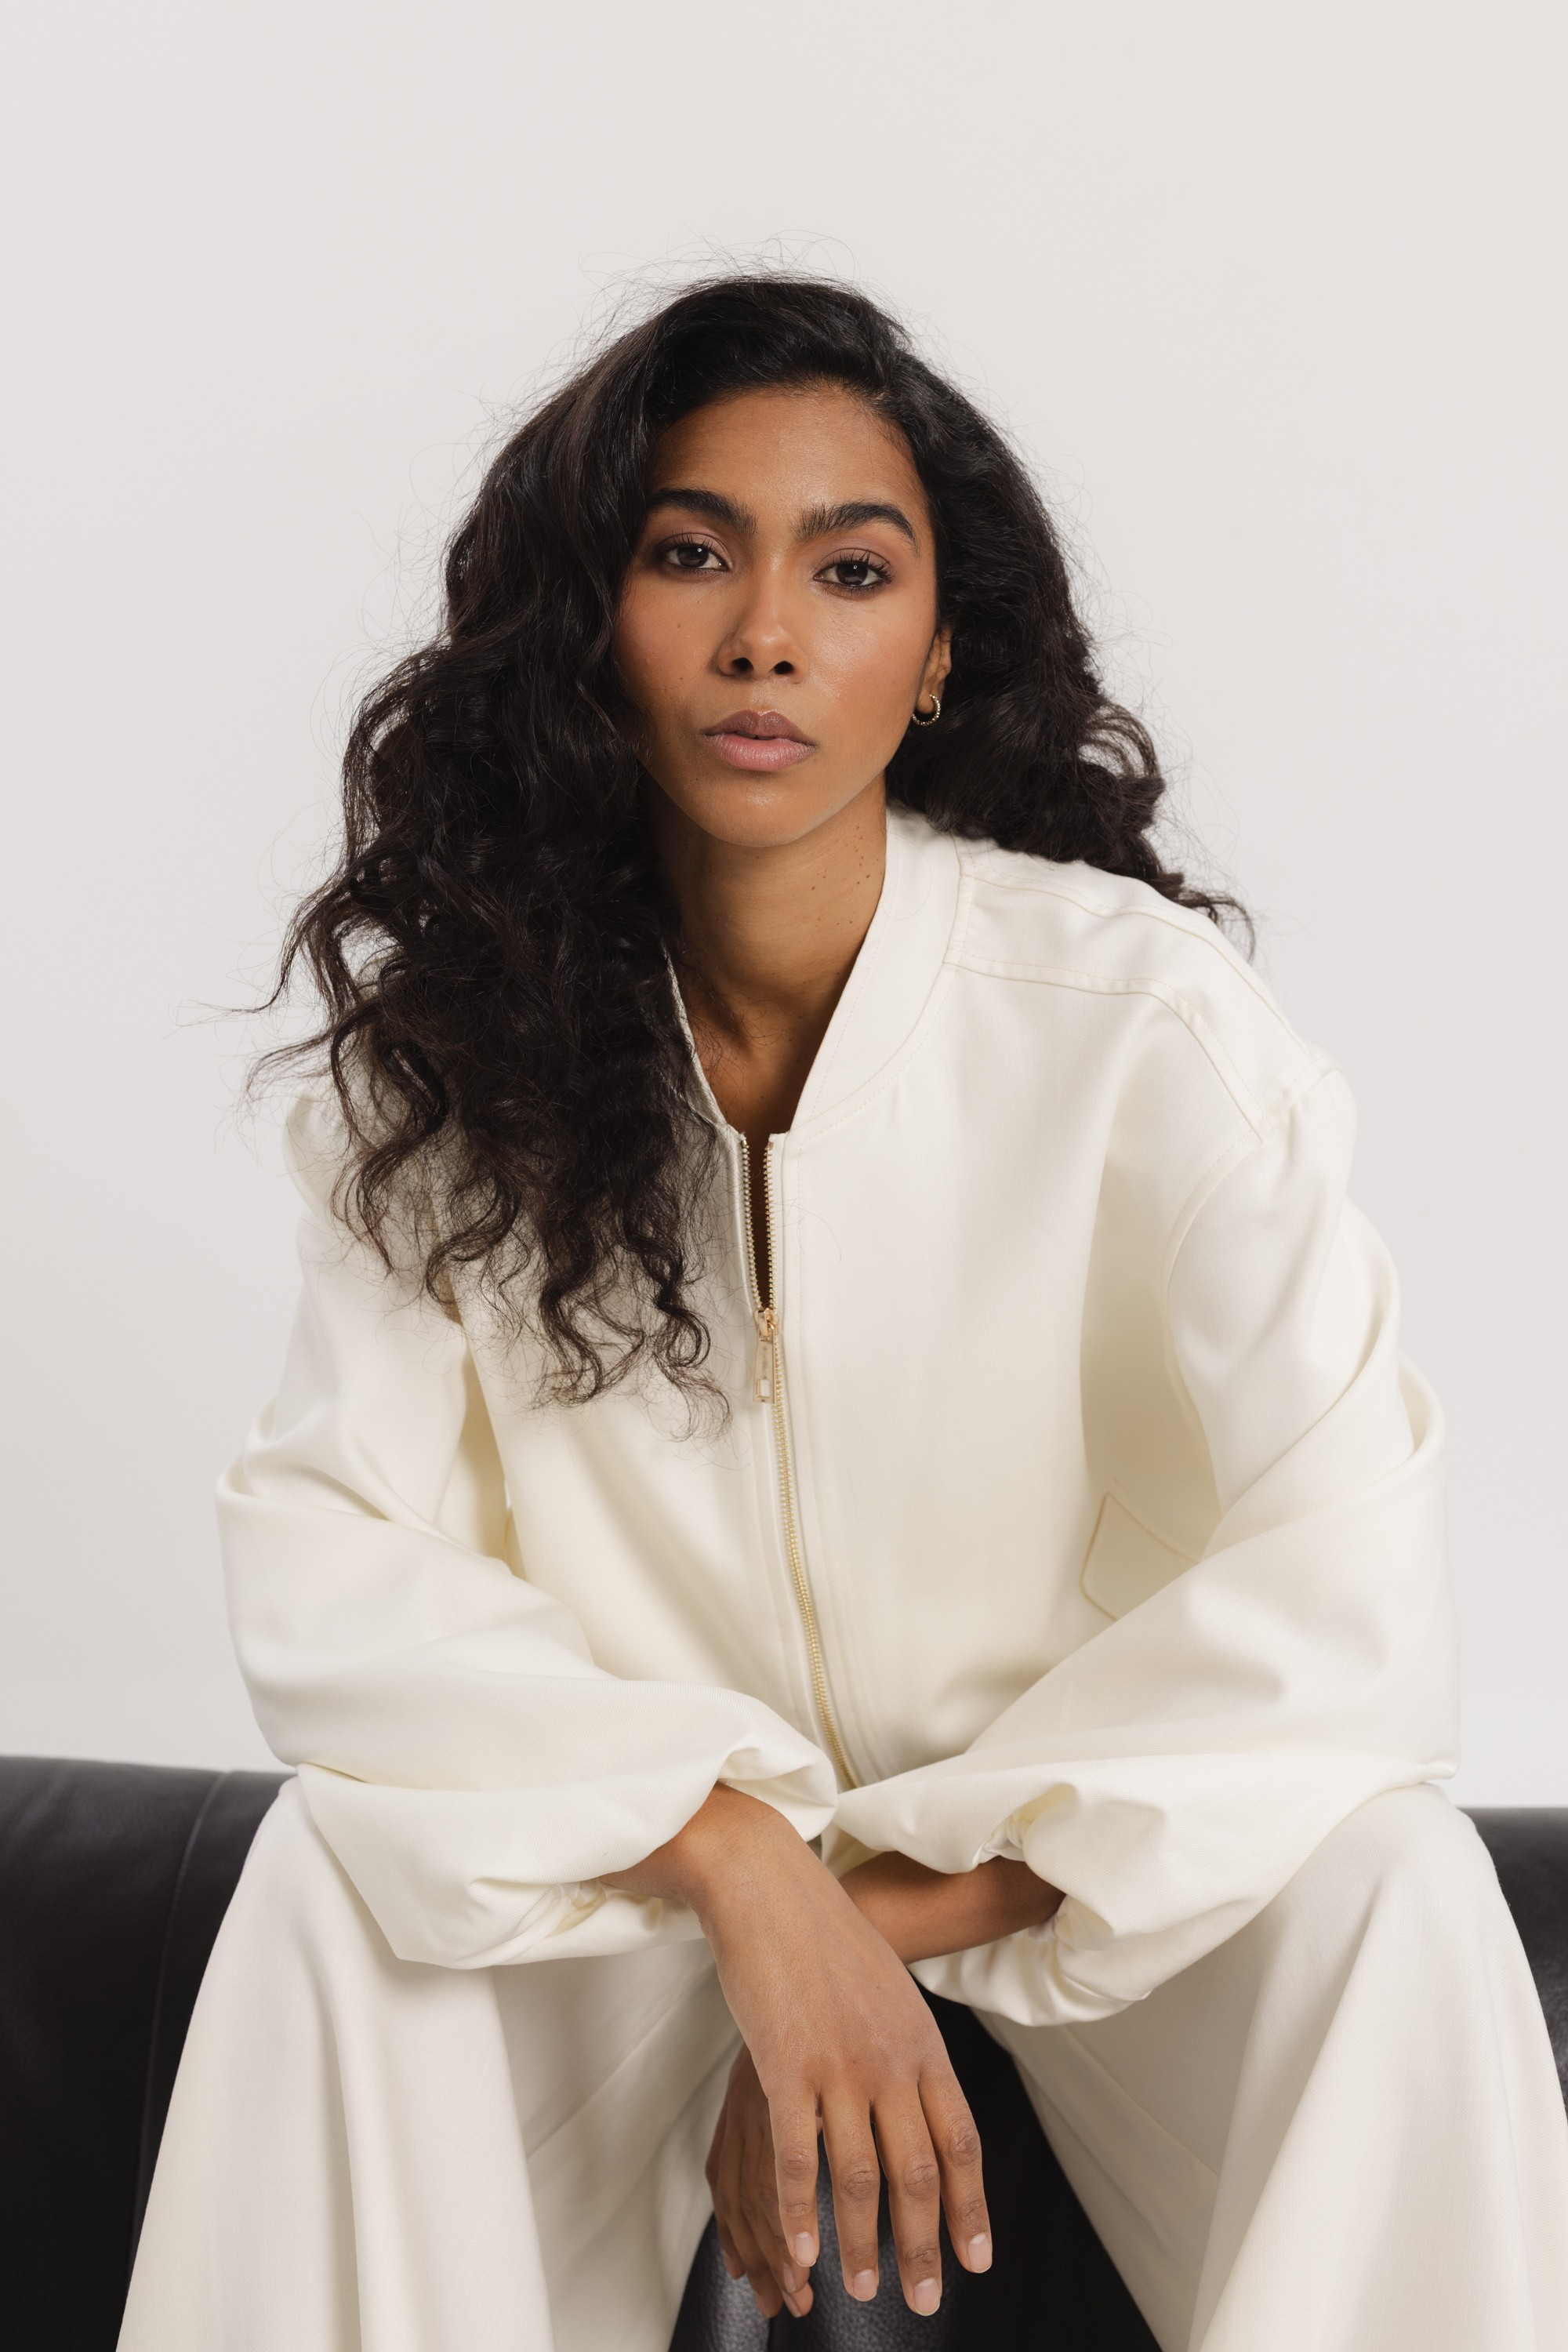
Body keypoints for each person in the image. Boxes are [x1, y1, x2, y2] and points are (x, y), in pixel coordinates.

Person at [121, 276, 1568, 2352]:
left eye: (853, 569)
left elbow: (1351, 1596)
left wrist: (877, 1922)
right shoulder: (457, 1076)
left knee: (1397, 1893)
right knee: (327, 1889)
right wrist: (739, 1864)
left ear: (943, 646)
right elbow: (334, 1567)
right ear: (589, 622)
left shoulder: (1143, 1035)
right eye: (689, 553)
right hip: (646, 1873)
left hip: (1081, 1868)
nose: (767, 636)